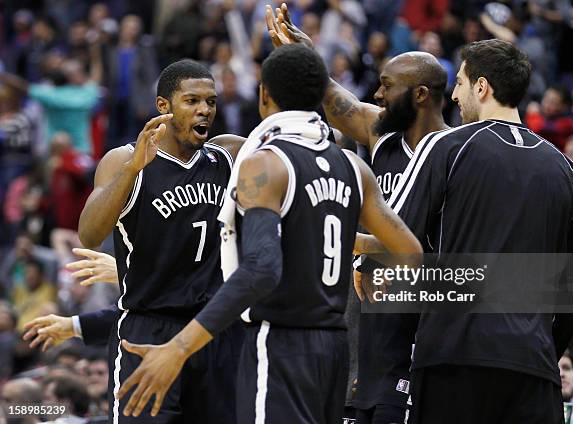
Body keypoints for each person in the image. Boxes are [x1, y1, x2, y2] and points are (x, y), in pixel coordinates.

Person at [113, 44, 422, 424]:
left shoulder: (266, 163)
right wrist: (356, 253)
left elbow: (261, 270)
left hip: (280, 345)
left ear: (263, 95)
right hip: (335, 348)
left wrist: (179, 347)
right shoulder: (352, 166)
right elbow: (409, 251)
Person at [386, 39, 573, 423]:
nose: (456, 96)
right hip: (533, 369)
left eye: (460, 83)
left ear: (482, 87)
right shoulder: (566, 170)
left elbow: (395, 236)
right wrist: (545, 348)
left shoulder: (445, 146)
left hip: (454, 360)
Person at [266, 5, 448, 423]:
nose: (378, 95)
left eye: (387, 86)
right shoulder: (381, 134)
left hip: (414, 327)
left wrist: (357, 242)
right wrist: (308, 58)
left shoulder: (456, 154)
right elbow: (338, 101)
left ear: (420, 95)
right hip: (361, 327)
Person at [69, 58, 241, 423]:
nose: (204, 110)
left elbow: (292, 142)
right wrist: (132, 171)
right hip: (149, 327)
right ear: (163, 106)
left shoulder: (225, 157)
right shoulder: (125, 160)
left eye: (210, 102)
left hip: (211, 328)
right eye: (192, 101)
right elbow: (89, 233)